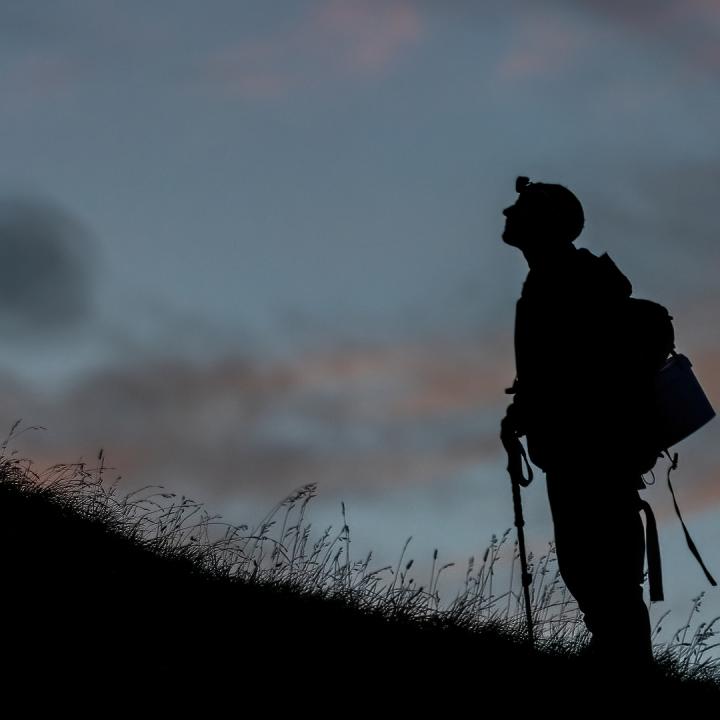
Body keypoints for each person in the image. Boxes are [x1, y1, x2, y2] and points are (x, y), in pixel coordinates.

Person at [499, 176, 657, 666]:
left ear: (544, 222)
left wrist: (530, 407)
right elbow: (558, 371)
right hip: (583, 450)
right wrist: (524, 408)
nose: (508, 213)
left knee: (600, 566)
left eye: (521, 208)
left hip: (590, 450)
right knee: (591, 566)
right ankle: (619, 655)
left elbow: (571, 371)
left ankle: (624, 663)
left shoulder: (562, 281)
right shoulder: (557, 278)